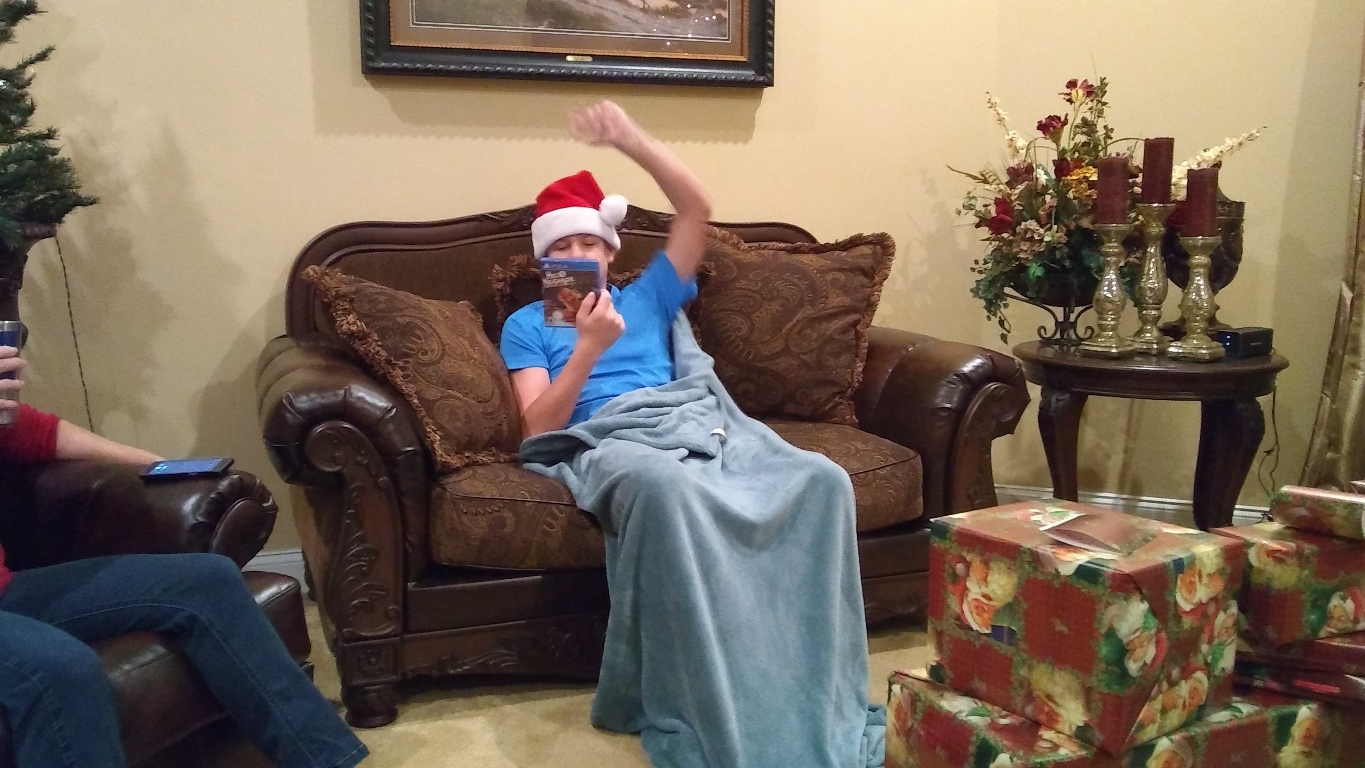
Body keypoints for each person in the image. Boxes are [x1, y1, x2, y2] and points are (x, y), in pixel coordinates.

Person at [501, 102, 884, 768]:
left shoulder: (647, 297)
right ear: (543, 262)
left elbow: (695, 210)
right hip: (607, 438)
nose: (575, 256)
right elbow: (537, 427)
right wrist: (587, 349)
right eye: (561, 248)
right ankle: (700, 682)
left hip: (689, 417)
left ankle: (801, 668)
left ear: (610, 251)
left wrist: (628, 138)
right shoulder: (527, 325)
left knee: (822, 479)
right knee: (662, 485)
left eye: (588, 244)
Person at [0, 345, 367, 768]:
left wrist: (160, 467)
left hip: (9, 590)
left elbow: (35, 433)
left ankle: (326, 760)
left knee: (208, 581)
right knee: (61, 669)